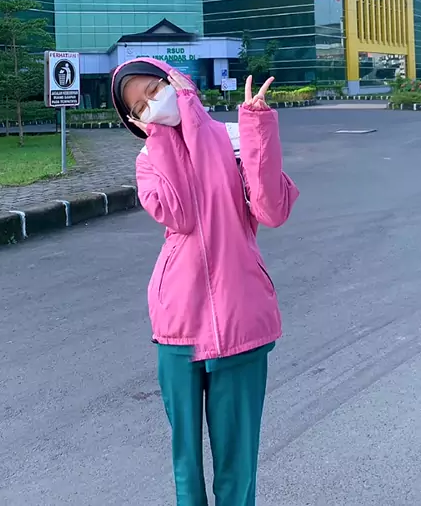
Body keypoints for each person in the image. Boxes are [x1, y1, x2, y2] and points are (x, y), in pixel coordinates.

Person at [112, 58, 299, 506]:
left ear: (175, 81)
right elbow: (179, 214)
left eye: (153, 91)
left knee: (238, 466)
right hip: (177, 320)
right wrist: (163, 137)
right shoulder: (148, 159)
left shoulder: (236, 138)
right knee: (186, 466)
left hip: (241, 318)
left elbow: (272, 210)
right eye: (139, 109)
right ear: (136, 123)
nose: (152, 106)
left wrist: (257, 127)